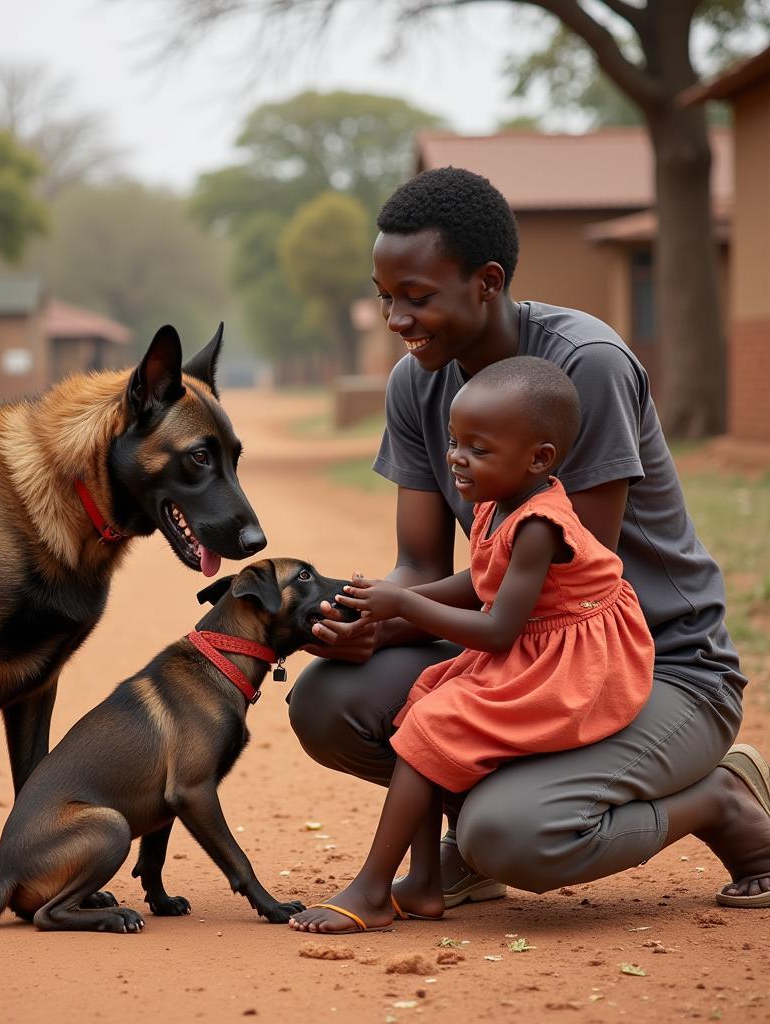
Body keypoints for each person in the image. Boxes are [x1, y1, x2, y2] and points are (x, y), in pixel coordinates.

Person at [287, 167, 770, 915]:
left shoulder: (585, 367)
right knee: (331, 702)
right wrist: (366, 622)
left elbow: (561, 592)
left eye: (416, 297)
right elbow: (420, 564)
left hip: (655, 665)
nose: (395, 319)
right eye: (386, 297)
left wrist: (401, 615)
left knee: (516, 834)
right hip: (522, 647)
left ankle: (718, 798)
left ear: (486, 282)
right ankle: (475, 839)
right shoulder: (418, 382)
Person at [290, 357, 656, 933]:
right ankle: (426, 884)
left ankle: (372, 890)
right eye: (456, 443)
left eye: (478, 449)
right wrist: (385, 596)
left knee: (432, 727)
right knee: (418, 708)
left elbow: (496, 628)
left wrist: (405, 604)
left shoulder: (540, 524)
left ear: (539, 459)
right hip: (531, 644)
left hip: (574, 661)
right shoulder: (496, 496)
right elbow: (481, 581)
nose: (458, 458)